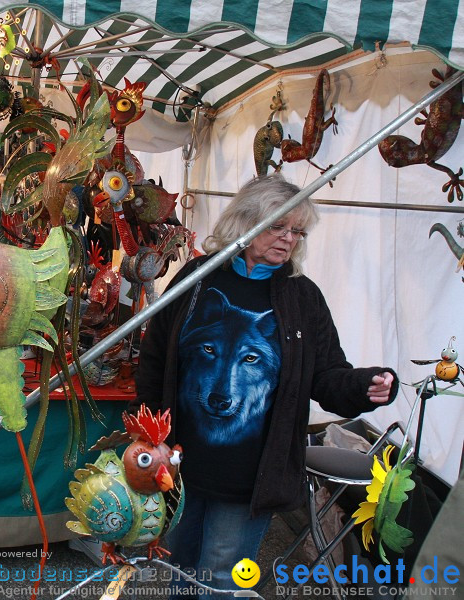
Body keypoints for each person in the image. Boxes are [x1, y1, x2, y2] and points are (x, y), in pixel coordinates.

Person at [131, 175, 398, 597]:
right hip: (179, 462)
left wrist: (366, 386)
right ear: (246, 220)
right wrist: (150, 435)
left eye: (297, 231)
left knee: (220, 581)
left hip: (250, 476)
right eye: (278, 226)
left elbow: (328, 377)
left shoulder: (302, 298)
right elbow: (156, 357)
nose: (288, 239)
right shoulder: (197, 279)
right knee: (178, 567)